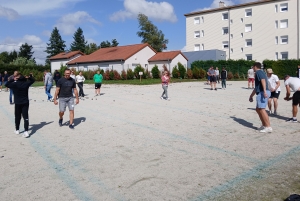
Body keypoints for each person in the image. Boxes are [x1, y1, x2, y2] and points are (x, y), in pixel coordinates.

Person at [5, 72, 35, 138]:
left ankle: (17, 130)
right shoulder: (26, 84)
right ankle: (26, 131)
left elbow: (6, 84)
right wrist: (28, 77)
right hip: (25, 102)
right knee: (26, 117)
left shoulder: (14, 84)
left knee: (17, 116)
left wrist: (13, 79)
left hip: (18, 102)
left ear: (17, 78)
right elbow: (33, 80)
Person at [249, 62, 272, 133]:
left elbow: (263, 80)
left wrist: (264, 91)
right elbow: (256, 88)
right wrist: (251, 96)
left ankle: (268, 127)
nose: (252, 68)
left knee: (262, 109)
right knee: (258, 109)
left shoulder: (259, 72)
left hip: (263, 92)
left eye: (253, 67)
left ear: (255, 66)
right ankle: (264, 125)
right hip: (261, 92)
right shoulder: (259, 73)